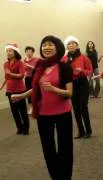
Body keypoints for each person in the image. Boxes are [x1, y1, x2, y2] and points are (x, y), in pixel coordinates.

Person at [11, 35, 74, 180]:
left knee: (65, 148)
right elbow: (36, 88)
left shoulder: (64, 67)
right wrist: (21, 96)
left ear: (57, 47)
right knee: (48, 149)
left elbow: (69, 93)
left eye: (50, 44)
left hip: (62, 113)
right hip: (43, 114)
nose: (47, 47)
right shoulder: (39, 66)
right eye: (44, 45)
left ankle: (65, 177)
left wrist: (54, 89)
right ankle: (55, 176)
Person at [62, 36, 93, 139]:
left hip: (82, 83)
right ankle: (81, 131)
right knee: (75, 109)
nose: (71, 45)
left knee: (83, 107)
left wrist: (82, 71)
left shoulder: (84, 57)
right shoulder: (65, 58)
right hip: (71, 85)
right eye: (69, 44)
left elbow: (90, 71)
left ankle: (88, 130)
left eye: (73, 43)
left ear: (77, 45)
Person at [0, 44, 29, 135]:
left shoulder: (20, 63)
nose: (8, 53)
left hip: (19, 90)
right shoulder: (5, 64)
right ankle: (19, 127)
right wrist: (1, 86)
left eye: (10, 51)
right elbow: (6, 77)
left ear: (15, 52)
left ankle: (26, 128)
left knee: (22, 110)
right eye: (7, 51)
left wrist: (10, 73)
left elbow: (21, 75)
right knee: (14, 111)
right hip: (10, 90)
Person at [24, 46, 39, 114]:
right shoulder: (24, 60)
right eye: (27, 51)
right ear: (25, 52)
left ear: (33, 52)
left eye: (30, 51)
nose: (28, 53)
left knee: (36, 91)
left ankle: (38, 106)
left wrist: (30, 66)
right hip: (27, 78)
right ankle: (31, 107)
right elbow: (23, 70)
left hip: (35, 77)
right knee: (28, 92)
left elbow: (38, 69)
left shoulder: (36, 59)